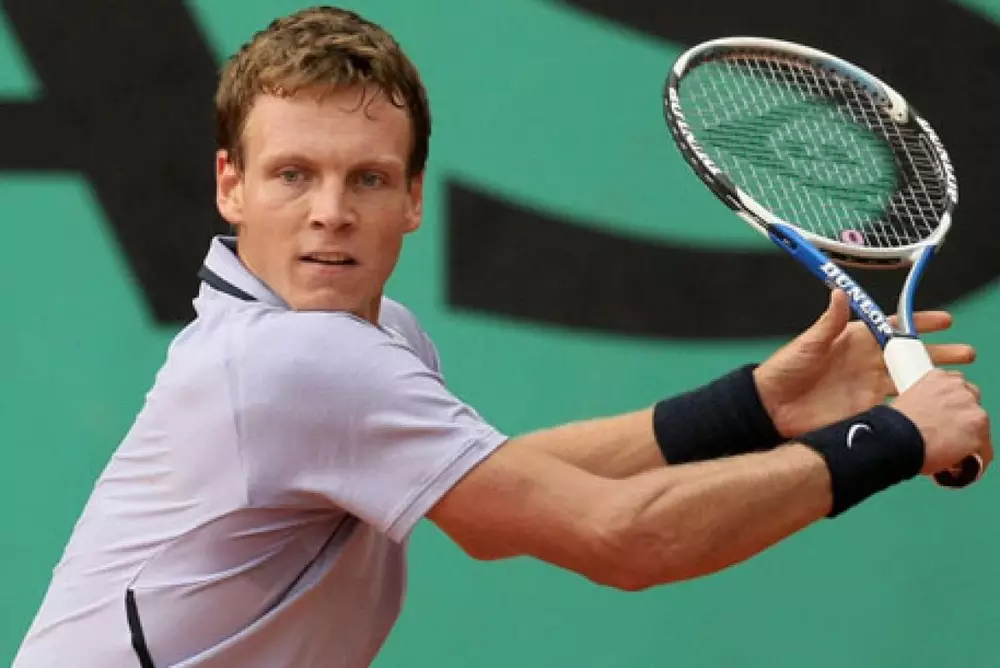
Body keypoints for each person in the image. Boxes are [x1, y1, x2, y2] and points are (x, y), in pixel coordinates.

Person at [13, 6, 992, 667]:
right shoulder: (298, 359)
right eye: (293, 174)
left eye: (366, 178)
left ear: (412, 199)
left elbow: (496, 491)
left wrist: (757, 407)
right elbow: (626, 537)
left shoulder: (359, 337)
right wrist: (890, 441)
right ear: (231, 186)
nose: (330, 211)